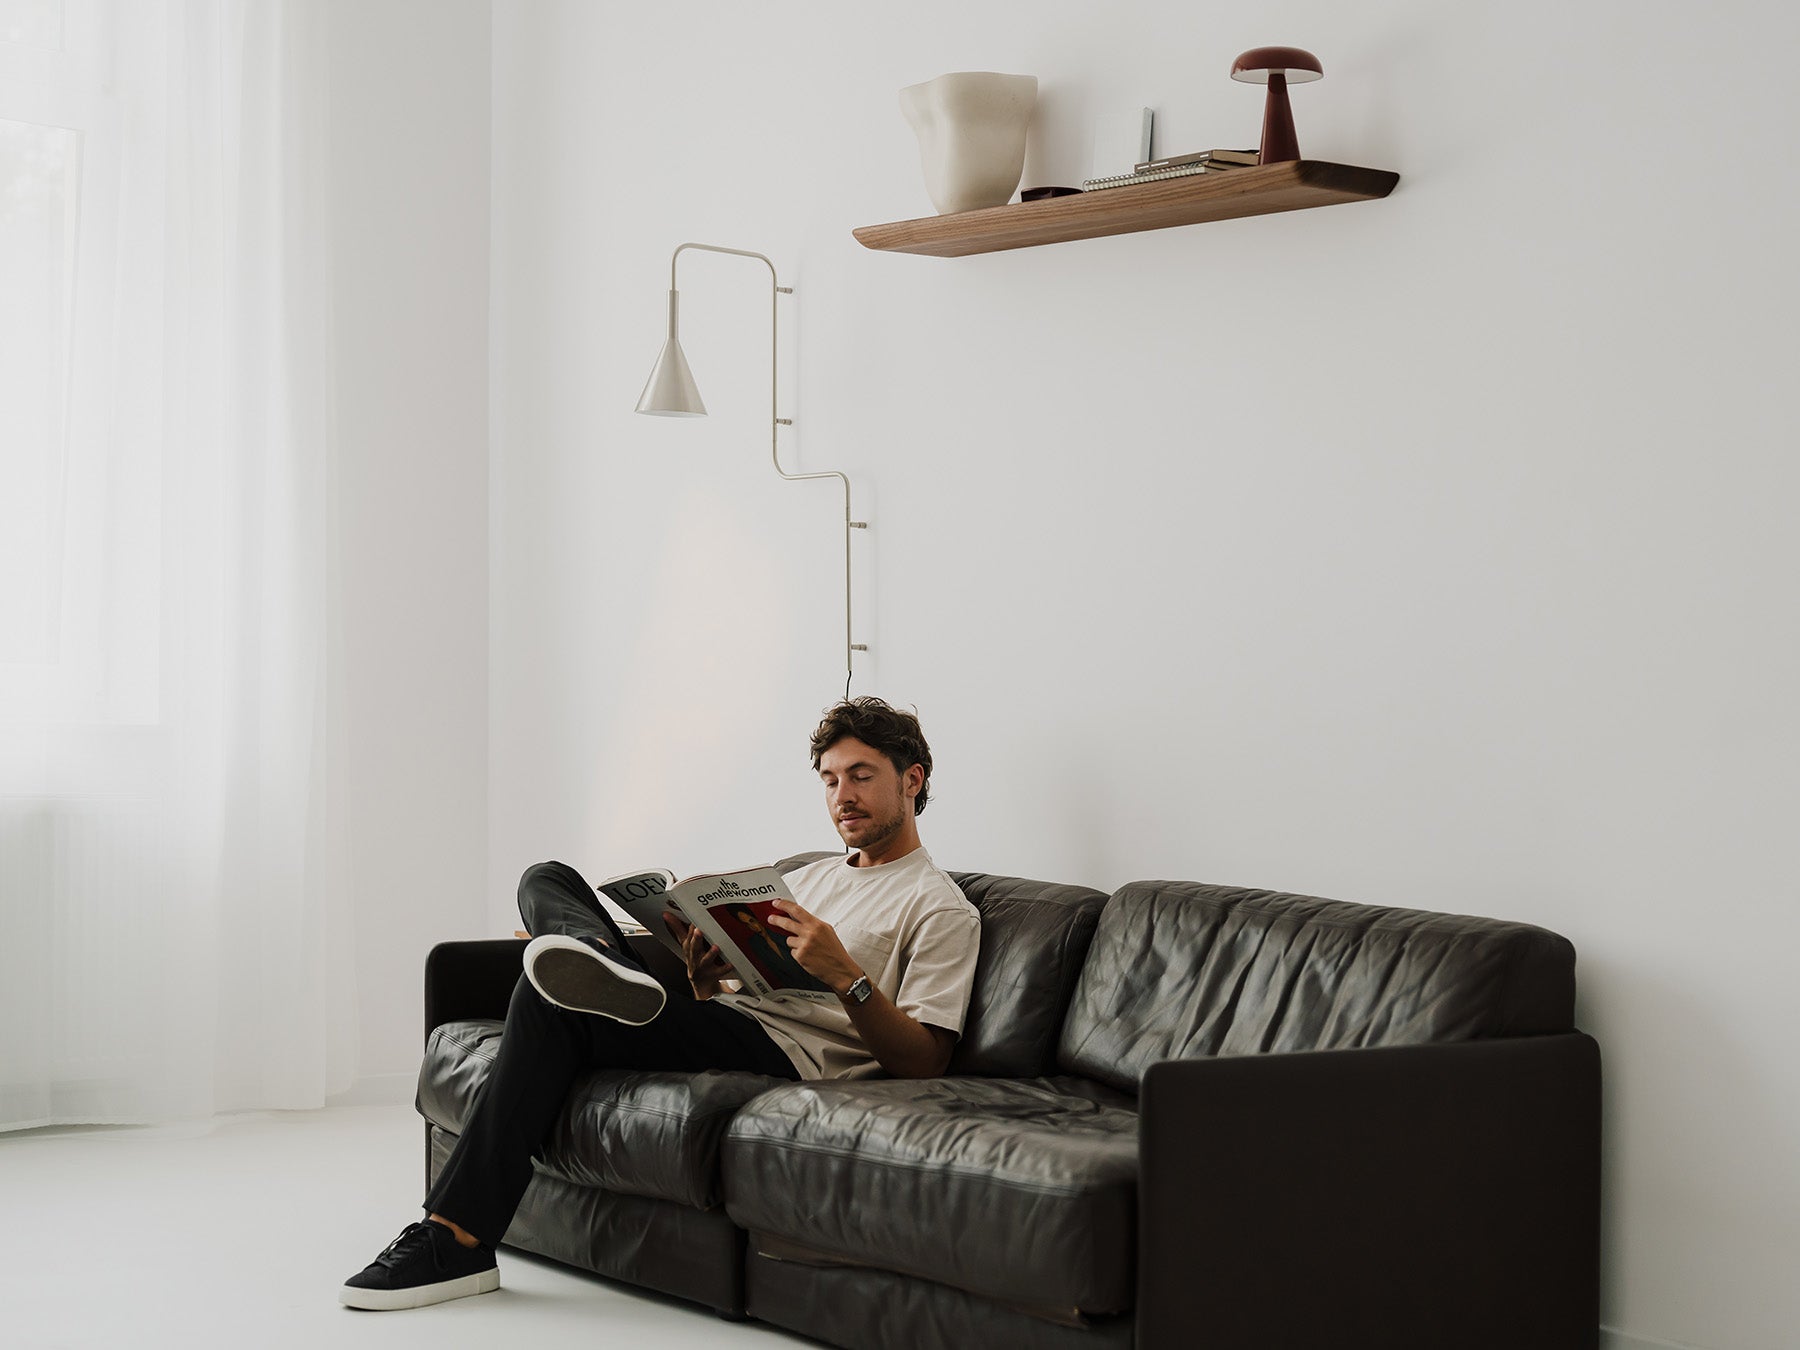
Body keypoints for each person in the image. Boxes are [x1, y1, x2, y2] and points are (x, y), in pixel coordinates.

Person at [340, 696, 980, 1311]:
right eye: (830, 779)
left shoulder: (941, 907)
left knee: (546, 998)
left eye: (861, 776)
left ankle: (453, 1240)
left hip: (789, 1053)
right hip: (729, 1017)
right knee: (547, 878)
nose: (843, 796)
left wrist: (847, 976)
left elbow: (925, 1061)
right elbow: (742, 986)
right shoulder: (811, 877)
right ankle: (591, 955)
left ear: (912, 780)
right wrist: (705, 973)